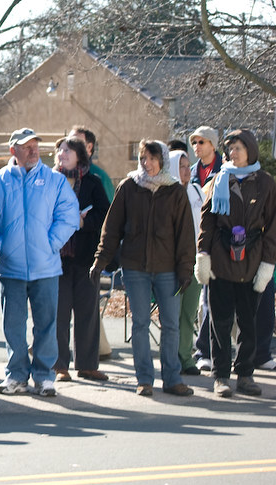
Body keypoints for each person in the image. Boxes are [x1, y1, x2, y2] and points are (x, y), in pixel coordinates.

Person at [92, 139, 195, 397]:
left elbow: (185, 236)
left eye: (152, 158)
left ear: (163, 160)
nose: (147, 164)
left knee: (170, 324)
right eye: (142, 159)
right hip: (135, 267)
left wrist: (186, 269)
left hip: (168, 269)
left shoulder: (175, 191)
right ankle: (144, 379)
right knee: (139, 323)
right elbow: (111, 228)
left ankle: (172, 379)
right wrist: (100, 260)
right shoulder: (128, 187)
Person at [0, 128, 79, 397]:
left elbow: (69, 216)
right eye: (26, 146)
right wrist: (0, 246)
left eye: (35, 145)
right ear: (13, 150)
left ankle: (44, 376)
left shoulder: (54, 180)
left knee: (46, 324)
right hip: (10, 267)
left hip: (46, 267)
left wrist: (51, 244)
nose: (33, 150)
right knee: (13, 325)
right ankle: (16, 376)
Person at [195, 129, 276, 398]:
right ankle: (221, 377)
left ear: (250, 150)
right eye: (231, 148)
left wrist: (267, 263)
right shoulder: (219, 179)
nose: (233, 153)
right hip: (221, 257)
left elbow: (273, 226)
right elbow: (207, 222)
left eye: (239, 148)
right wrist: (203, 256)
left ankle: (245, 374)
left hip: (251, 259)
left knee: (248, 321)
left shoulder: (265, 182)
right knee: (220, 320)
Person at [51, 136, 109, 382]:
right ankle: (59, 365)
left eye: (67, 150)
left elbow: (105, 215)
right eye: (60, 150)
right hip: (56, 259)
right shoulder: (49, 181)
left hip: (86, 258)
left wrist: (85, 222)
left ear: (80, 156)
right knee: (59, 313)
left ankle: (86, 365)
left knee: (87, 312)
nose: (62, 154)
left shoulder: (93, 182)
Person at [168, 148, 206, 376]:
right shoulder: (167, 193)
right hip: (171, 261)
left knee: (189, 312)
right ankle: (172, 357)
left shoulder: (196, 191)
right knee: (173, 311)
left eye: (188, 166)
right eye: (181, 166)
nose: (186, 170)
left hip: (194, 260)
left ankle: (185, 357)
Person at [188, 126, 221, 371]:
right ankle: (200, 351)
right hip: (191, 242)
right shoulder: (188, 173)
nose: (196, 146)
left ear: (213, 144)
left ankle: (209, 351)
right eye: (194, 142)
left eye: (201, 142)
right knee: (199, 299)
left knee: (212, 300)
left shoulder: (225, 170)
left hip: (218, 243)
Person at [68, 126, 115, 202]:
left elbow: (108, 210)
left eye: (76, 142)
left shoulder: (100, 177)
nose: (70, 146)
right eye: (69, 141)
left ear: (89, 147)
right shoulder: (58, 174)